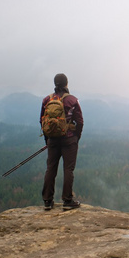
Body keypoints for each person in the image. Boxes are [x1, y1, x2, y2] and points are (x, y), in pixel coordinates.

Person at [40, 73, 84, 210]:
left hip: (53, 140)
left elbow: (42, 121)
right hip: (69, 139)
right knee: (68, 169)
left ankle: (47, 201)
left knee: (51, 169)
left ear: (55, 84)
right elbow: (80, 121)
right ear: (66, 84)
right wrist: (76, 137)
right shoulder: (72, 100)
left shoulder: (47, 100)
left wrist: (48, 140)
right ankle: (67, 200)